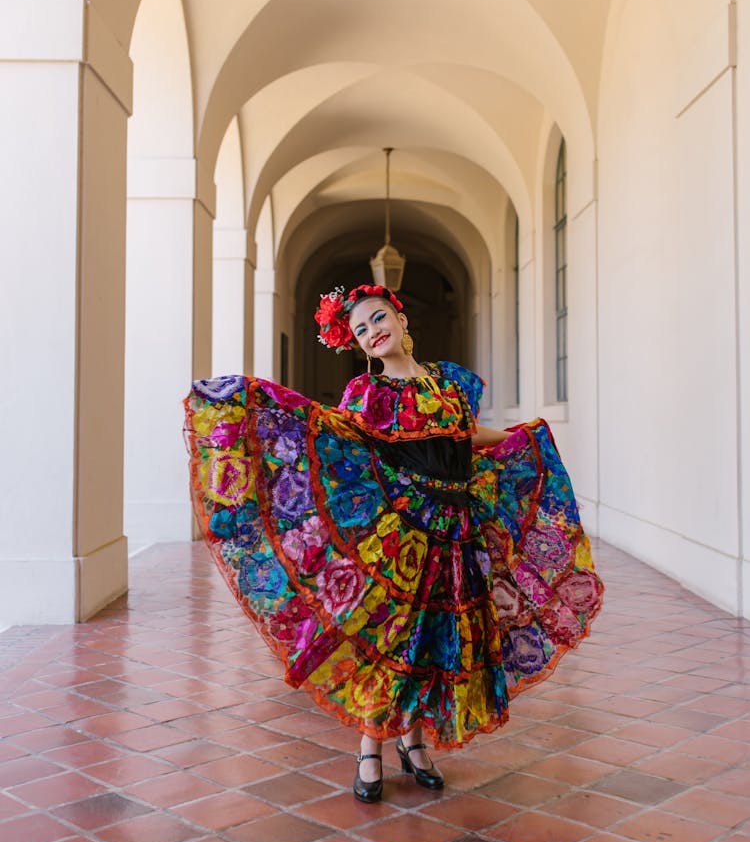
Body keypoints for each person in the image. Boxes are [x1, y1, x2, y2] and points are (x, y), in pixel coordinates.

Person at [184, 283, 603, 803]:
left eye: (378, 318)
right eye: (360, 329)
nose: (372, 332)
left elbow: (463, 436)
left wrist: (522, 435)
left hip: (457, 527)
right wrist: (260, 401)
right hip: (403, 532)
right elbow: (339, 436)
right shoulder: (368, 393)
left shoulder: (449, 384)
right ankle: (370, 747)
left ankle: (415, 742)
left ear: (402, 320)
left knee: (438, 636)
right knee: (394, 638)